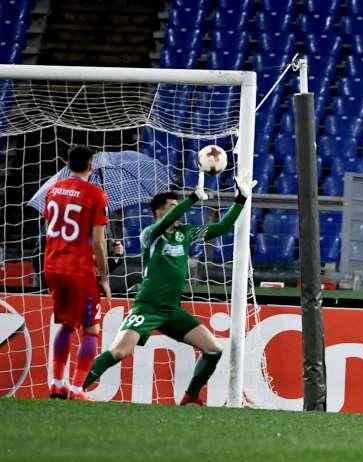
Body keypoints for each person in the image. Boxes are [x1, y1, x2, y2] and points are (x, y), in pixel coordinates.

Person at [82, 170, 256, 405]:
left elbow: (222, 227)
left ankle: (190, 396)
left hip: (172, 310)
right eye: (172, 207)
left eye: (178, 206)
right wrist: (192, 198)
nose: (178, 211)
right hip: (148, 307)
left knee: (214, 350)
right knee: (119, 351)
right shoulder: (150, 234)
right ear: (159, 212)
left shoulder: (186, 233)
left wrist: (241, 199)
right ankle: (76, 388)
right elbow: (165, 223)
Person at [42, 145, 111, 400]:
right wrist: (104, 276)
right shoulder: (96, 194)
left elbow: (49, 227)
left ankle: (57, 383)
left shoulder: (53, 190)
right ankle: (77, 388)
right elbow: (99, 242)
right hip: (79, 270)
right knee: (90, 329)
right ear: (91, 166)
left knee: (66, 324)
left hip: (53, 265)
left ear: (67, 164)